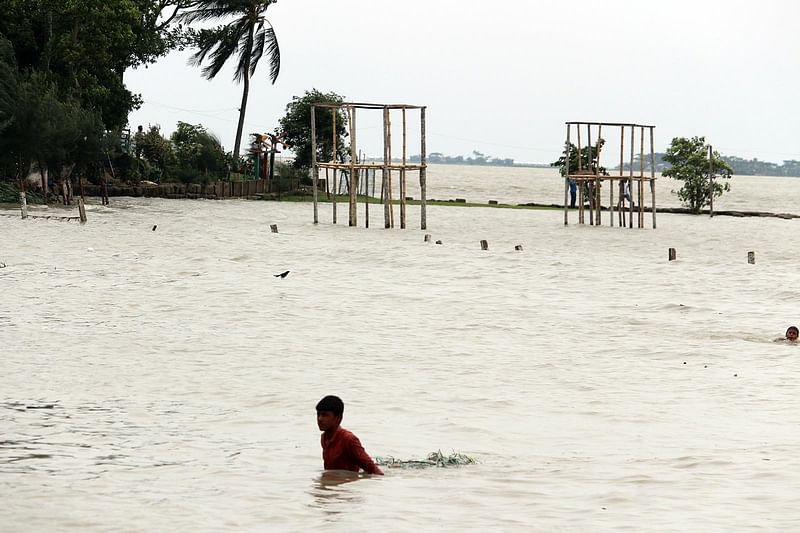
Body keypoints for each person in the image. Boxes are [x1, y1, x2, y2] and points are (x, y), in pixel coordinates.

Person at [316, 395, 383, 475]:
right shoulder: (324, 438)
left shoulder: (348, 439)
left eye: (325, 415)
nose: (320, 419)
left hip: (346, 486)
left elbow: (373, 470)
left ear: (338, 418)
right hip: (333, 483)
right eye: (318, 414)